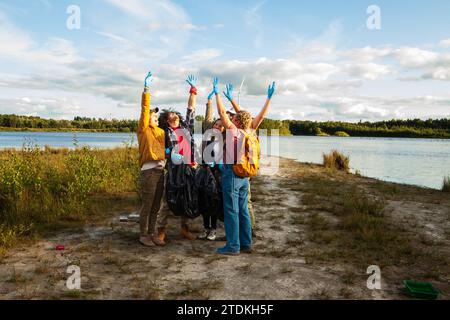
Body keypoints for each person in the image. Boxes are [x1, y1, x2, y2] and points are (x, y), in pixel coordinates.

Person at [222, 82, 276, 237]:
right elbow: (246, 115)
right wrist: (268, 99)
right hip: (247, 173)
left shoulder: (244, 130)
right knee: (244, 205)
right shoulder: (251, 129)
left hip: (238, 171)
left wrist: (268, 99)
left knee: (239, 206)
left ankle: (244, 234)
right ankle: (247, 236)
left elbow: (246, 115)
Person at [156, 75, 198, 242]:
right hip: (174, 170)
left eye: (175, 114)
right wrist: (167, 153)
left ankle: (184, 229)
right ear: (166, 121)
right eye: (170, 116)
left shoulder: (186, 126)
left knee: (188, 197)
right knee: (167, 201)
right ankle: (161, 230)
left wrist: (193, 91)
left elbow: (191, 109)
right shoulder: (164, 133)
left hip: (189, 167)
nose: (174, 116)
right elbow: (159, 150)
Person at [137, 71, 166, 247]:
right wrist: (146, 89)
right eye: (152, 117)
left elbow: (162, 149)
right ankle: (143, 235)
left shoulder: (161, 132)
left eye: (156, 117)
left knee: (157, 206)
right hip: (148, 172)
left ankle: (153, 233)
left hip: (161, 171)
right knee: (147, 205)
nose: (155, 118)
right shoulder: (143, 130)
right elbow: (144, 110)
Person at [198, 90, 225, 241]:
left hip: (216, 174)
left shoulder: (224, 139)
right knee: (203, 201)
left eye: (220, 125)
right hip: (203, 171)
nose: (216, 126)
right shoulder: (208, 133)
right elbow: (208, 118)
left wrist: (218, 164)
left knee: (213, 201)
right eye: (216, 123)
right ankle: (205, 228)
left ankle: (213, 229)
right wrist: (209, 102)